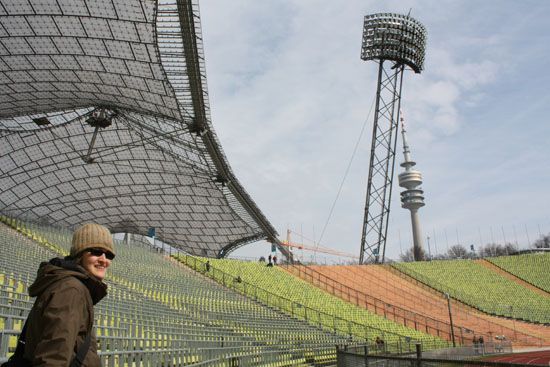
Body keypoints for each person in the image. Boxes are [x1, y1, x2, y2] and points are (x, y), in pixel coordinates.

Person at [23, 223, 115, 366]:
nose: (104, 260)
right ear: (80, 254)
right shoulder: (71, 290)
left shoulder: (72, 286)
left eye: (109, 255)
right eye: (96, 251)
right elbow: (54, 357)